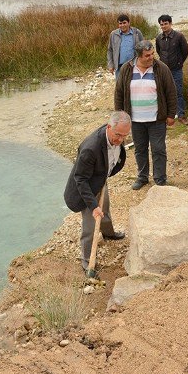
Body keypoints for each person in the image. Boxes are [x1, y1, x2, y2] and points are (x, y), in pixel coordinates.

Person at [64, 111, 131, 272]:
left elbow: (115, 157)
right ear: (109, 127)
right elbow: (80, 179)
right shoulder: (90, 148)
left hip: (99, 179)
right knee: (90, 224)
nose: (120, 140)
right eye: (118, 135)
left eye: (124, 136)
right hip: (85, 189)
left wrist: (104, 177)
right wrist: (93, 205)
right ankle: (87, 260)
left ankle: (109, 234)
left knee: (105, 209)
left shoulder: (116, 135)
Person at [114, 40, 176, 190]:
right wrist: (120, 117)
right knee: (140, 149)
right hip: (135, 120)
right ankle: (142, 177)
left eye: (152, 54)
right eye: (147, 55)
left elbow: (171, 92)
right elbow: (119, 93)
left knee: (158, 149)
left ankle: (160, 179)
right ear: (138, 56)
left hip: (157, 118)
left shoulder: (161, 68)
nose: (151, 57)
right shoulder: (127, 69)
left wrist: (171, 114)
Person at [155, 14, 188, 125]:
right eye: (162, 24)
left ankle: (181, 115)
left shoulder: (179, 36)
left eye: (166, 24)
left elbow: (185, 51)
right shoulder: (159, 38)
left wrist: (179, 62)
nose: (164, 26)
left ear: (170, 23)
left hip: (176, 70)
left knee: (178, 92)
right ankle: (167, 115)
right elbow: (159, 51)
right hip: (163, 70)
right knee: (163, 92)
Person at [107, 14, 144, 78]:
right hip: (119, 67)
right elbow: (110, 50)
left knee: (133, 86)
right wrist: (110, 65)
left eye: (124, 23)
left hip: (134, 66)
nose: (122, 25)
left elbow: (143, 48)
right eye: (120, 23)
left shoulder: (137, 32)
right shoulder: (113, 34)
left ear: (129, 23)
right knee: (120, 86)